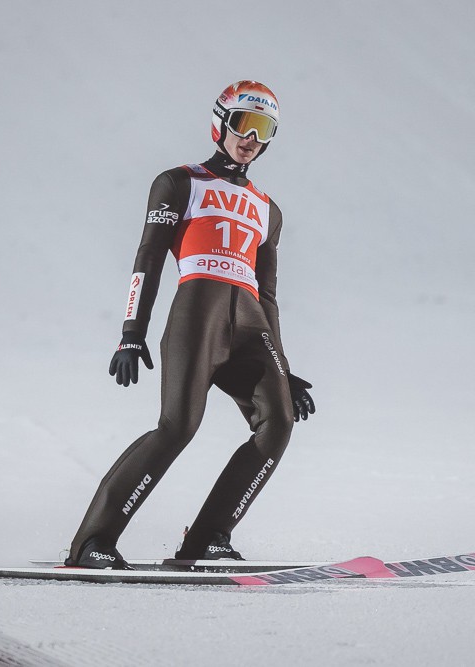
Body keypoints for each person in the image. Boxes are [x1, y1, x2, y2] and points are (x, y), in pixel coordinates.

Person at [65, 81, 315, 569]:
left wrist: (284, 368)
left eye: (264, 130)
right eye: (244, 124)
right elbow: (149, 257)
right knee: (178, 427)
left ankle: (207, 539)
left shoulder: (269, 210)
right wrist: (131, 332)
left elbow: (267, 294)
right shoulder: (178, 183)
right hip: (197, 315)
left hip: (252, 324)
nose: (251, 139)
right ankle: (93, 542)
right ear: (220, 123)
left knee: (278, 423)